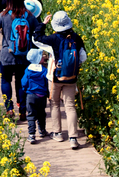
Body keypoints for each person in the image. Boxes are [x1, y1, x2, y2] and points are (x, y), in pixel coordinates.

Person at [33, 11, 88, 150]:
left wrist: (42, 24)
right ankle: (73, 138)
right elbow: (83, 57)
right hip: (71, 78)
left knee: (55, 104)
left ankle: (57, 133)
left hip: (55, 77)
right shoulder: (76, 38)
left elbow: (36, 39)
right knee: (70, 106)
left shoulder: (53, 39)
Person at [0, 0, 43, 120]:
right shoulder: (29, 15)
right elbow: (38, 30)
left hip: (7, 55)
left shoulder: (4, 15)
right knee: (21, 82)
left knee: (6, 80)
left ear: (8, 0)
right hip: (24, 56)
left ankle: (9, 109)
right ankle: (23, 111)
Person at [21, 48, 49, 144]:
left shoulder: (28, 70)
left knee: (31, 115)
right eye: (41, 56)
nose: (43, 57)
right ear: (37, 59)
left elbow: (24, 82)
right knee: (41, 114)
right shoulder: (44, 70)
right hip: (42, 96)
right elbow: (47, 82)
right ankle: (42, 130)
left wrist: (25, 89)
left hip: (31, 95)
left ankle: (32, 134)